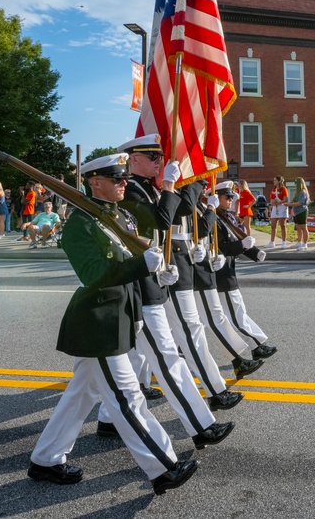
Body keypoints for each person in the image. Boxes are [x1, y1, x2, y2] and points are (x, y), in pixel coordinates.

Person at [27, 152, 197, 494]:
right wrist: (140, 266)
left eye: (123, 177)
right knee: (127, 397)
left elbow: (141, 244)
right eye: (116, 178)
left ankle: (46, 460)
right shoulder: (80, 225)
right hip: (98, 323)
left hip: (119, 315)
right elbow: (93, 275)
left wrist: (158, 273)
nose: (124, 183)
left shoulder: (115, 216)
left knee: (80, 395)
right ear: (94, 182)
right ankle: (164, 467)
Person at [109, 134, 246, 437]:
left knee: (116, 364)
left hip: (155, 276)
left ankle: (106, 419)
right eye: (154, 157)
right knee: (168, 353)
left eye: (160, 157)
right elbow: (160, 222)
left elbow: (177, 214)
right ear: (134, 160)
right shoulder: (131, 191)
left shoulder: (145, 188)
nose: (161, 162)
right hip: (140, 284)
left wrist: (194, 184)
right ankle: (202, 425)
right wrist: (172, 185)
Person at [213, 183, 279, 362]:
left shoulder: (226, 217)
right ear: (215, 196)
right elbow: (223, 247)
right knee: (235, 313)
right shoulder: (212, 218)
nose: (230, 201)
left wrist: (254, 252)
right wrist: (242, 246)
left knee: (230, 313)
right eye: (227, 197)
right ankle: (256, 346)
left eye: (231, 197)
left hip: (227, 271)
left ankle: (255, 347)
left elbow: (237, 239)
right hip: (220, 273)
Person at [265, 176, 289, 249]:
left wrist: (278, 202)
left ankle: (284, 242)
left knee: (283, 225)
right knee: (273, 225)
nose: (274, 181)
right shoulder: (273, 189)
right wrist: (273, 202)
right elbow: (271, 199)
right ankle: (272, 242)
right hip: (275, 208)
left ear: (279, 181)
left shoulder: (284, 189)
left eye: (275, 180)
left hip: (282, 207)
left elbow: (285, 199)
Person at [288, 177, 310, 250]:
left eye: (296, 184)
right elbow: (294, 201)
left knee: (304, 227)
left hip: (302, 211)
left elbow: (300, 203)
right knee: (298, 227)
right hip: (296, 212)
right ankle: (299, 242)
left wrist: (290, 205)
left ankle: (305, 243)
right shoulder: (297, 193)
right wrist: (288, 204)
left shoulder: (303, 192)